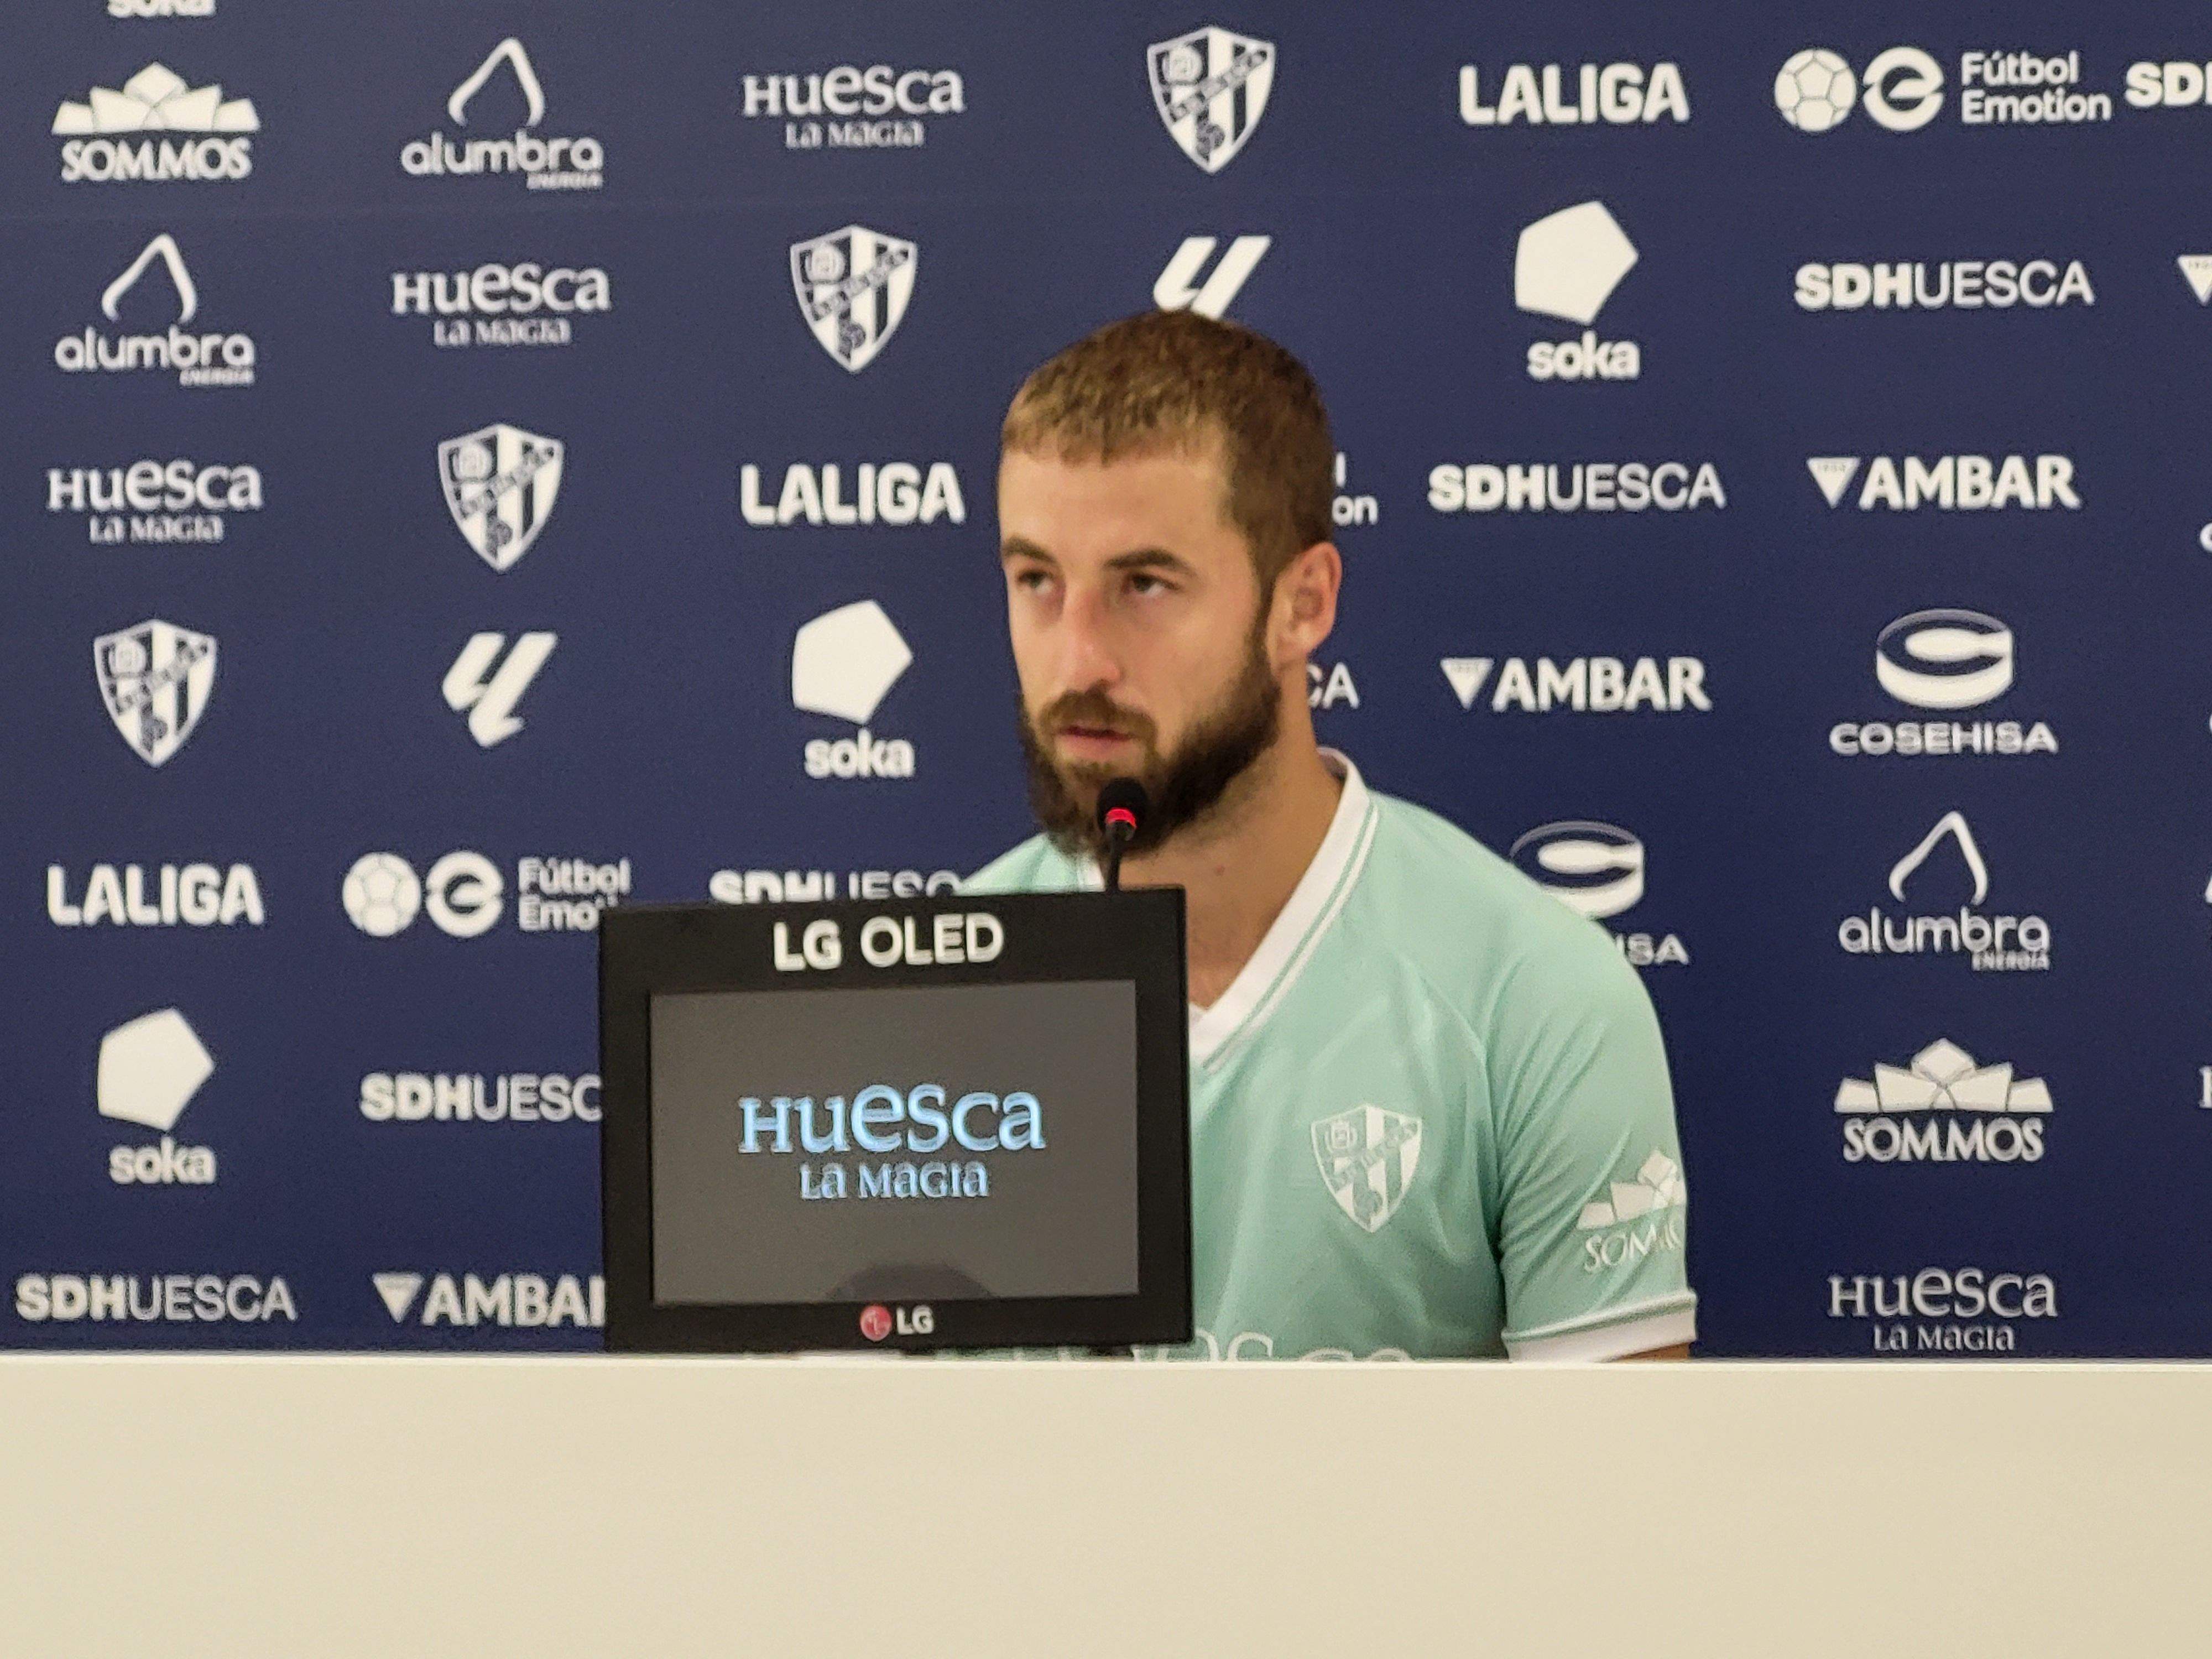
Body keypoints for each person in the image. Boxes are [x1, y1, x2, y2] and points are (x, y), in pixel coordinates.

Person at [964, 309, 1694, 1361]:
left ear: (1302, 603)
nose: (1078, 659)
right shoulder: (925, 994)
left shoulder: (1534, 1000)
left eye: (1145, 586)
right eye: (1037, 580)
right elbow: (833, 1487)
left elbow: (1612, 1508)